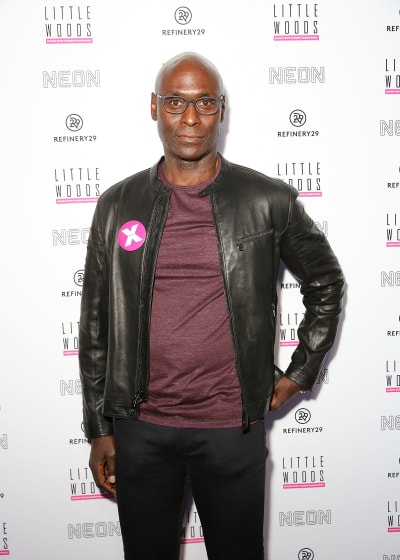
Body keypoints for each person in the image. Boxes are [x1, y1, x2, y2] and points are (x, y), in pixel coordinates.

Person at [79, 52, 344, 560]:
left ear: (222, 110)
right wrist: (100, 427)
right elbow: (94, 323)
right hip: (141, 428)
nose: (191, 118)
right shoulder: (117, 205)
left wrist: (299, 372)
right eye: (176, 103)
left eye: (204, 103)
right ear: (154, 108)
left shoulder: (268, 200)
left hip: (230, 427)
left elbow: (326, 283)